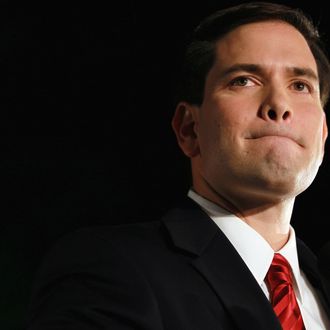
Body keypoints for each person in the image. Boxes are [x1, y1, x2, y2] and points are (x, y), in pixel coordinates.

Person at [25, 2, 330, 329]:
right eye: (244, 80)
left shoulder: (324, 283)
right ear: (188, 128)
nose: (279, 105)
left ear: (323, 133)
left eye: (300, 85)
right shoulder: (108, 268)